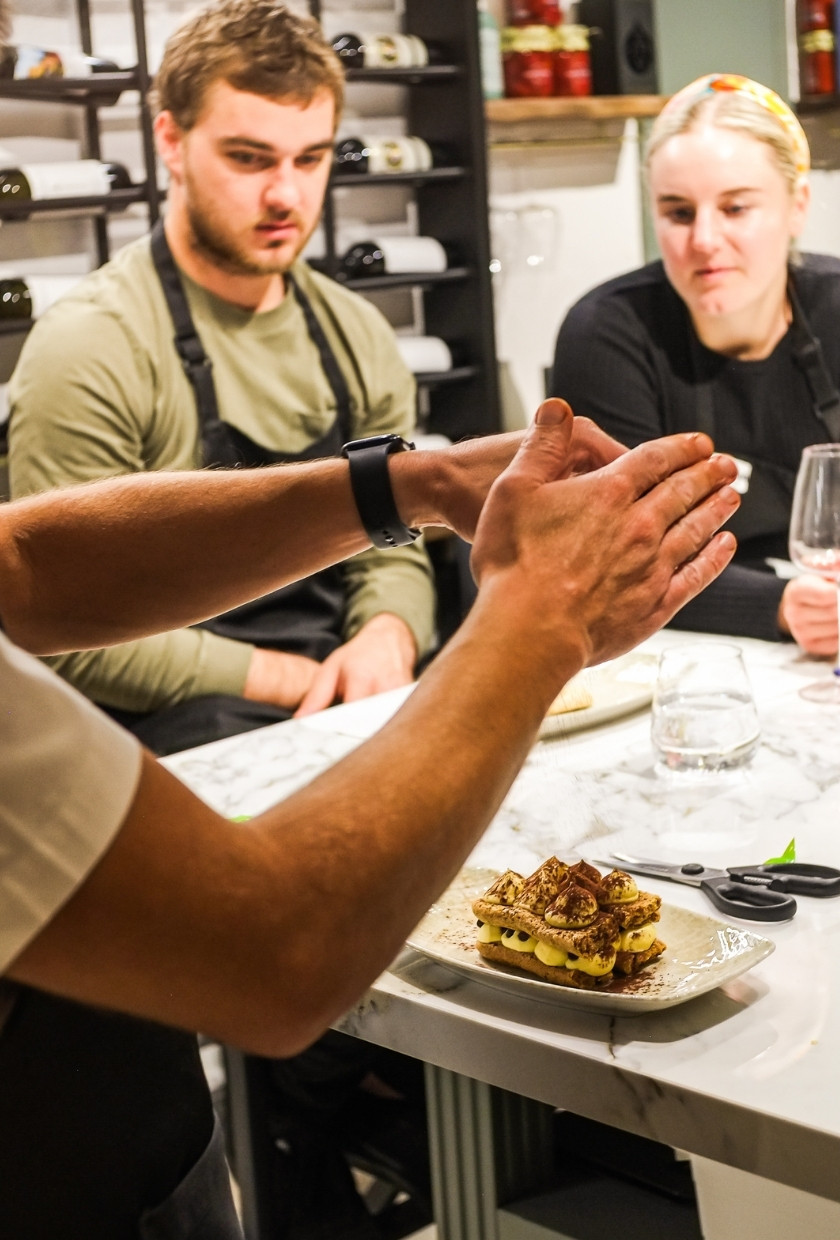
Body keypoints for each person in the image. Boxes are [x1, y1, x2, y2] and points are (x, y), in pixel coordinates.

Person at [0, 400, 740, 1237]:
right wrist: (545, 614)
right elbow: (274, 948)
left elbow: (20, 561)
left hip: (143, 1149)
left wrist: (409, 484)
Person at [7, 0, 435, 758]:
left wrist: (385, 638)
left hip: (345, 704)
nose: (286, 195)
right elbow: (60, 622)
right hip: (184, 739)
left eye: (310, 160)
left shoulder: (356, 334)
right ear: (170, 139)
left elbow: (394, 538)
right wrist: (290, 679)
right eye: (249, 158)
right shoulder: (93, 345)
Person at [551, 73, 840, 655]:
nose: (705, 239)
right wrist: (780, 606)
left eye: (735, 207)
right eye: (679, 213)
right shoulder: (607, 333)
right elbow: (611, 560)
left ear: (796, 206)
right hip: (675, 648)